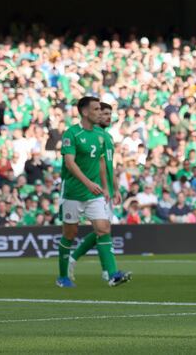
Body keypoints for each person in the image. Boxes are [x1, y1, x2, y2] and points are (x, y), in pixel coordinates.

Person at [56, 97, 130, 288]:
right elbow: (69, 163)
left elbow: (102, 163)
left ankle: (112, 274)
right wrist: (88, 183)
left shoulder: (100, 135)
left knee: (103, 229)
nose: (100, 112)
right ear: (85, 112)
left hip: (94, 193)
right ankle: (63, 276)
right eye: (96, 109)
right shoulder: (71, 133)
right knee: (70, 234)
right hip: (73, 192)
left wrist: (106, 187)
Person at [68, 102, 120, 281]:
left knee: (104, 229)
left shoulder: (107, 137)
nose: (107, 117)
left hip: (106, 189)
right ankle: (107, 270)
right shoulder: (94, 136)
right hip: (94, 189)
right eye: (103, 113)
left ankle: (102, 268)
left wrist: (116, 188)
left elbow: (110, 165)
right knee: (103, 229)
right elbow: (101, 165)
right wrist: (105, 187)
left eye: (108, 114)